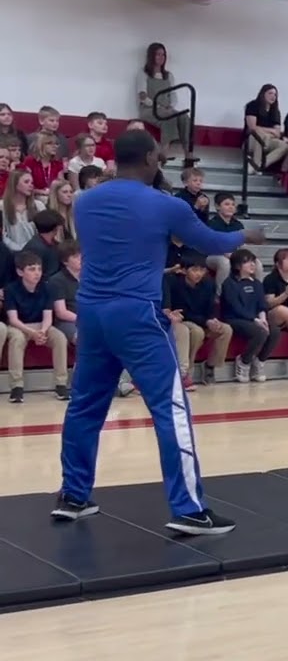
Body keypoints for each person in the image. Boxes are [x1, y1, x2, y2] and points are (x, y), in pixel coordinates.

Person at [54, 129, 263, 535]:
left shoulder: (84, 201)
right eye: (160, 158)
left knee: (84, 407)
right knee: (172, 408)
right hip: (137, 315)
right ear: (150, 158)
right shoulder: (165, 205)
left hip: (92, 313)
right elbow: (212, 241)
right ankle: (189, 508)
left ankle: (73, 496)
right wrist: (248, 235)